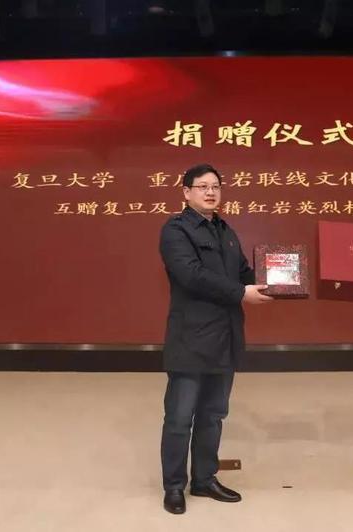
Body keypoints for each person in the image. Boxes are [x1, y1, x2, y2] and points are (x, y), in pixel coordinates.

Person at [158, 163, 272, 515]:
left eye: (216, 187)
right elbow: (191, 275)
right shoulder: (175, 230)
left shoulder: (226, 230)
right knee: (180, 418)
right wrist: (240, 292)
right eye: (203, 186)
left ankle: (204, 479)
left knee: (213, 414)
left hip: (225, 337)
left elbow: (244, 272)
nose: (211, 192)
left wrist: (279, 280)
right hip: (191, 338)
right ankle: (174, 486)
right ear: (186, 192)